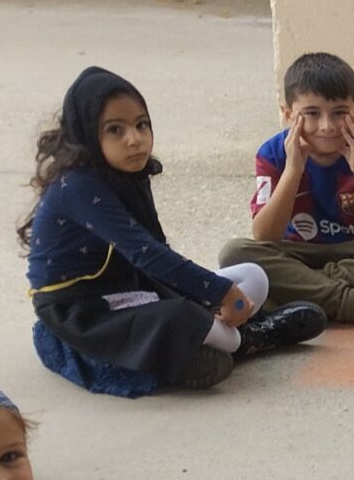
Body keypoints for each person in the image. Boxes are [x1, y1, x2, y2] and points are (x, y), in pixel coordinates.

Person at [26, 67, 326, 396]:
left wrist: (215, 293)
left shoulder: (128, 173)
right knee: (186, 317)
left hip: (133, 285)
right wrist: (221, 294)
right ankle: (248, 339)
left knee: (254, 276)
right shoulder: (78, 187)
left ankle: (223, 339)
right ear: (85, 133)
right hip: (84, 308)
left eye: (141, 125)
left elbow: (156, 251)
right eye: (115, 130)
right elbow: (148, 254)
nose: (134, 139)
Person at [220, 50, 354, 325]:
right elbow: (264, 236)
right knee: (235, 253)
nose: (326, 126)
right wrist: (293, 169)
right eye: (312, 113)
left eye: (339, 113)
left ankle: (307, 289)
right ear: (288, 114)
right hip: (296, 253)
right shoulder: (272, 154)